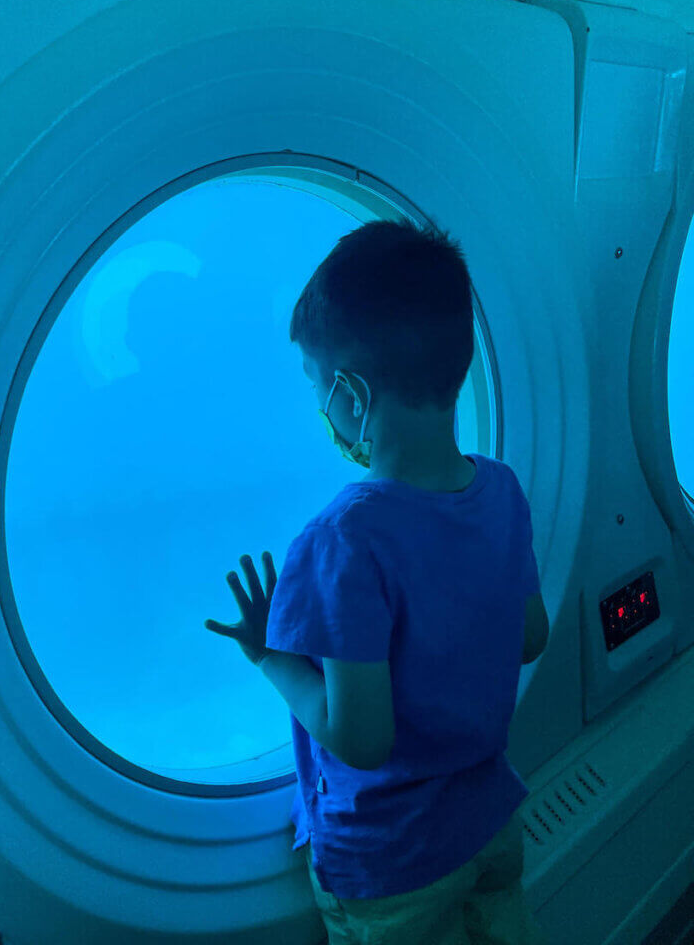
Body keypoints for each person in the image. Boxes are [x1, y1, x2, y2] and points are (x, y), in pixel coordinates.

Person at [206, 218, 550, 943]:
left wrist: (269, 656)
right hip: (490, 822)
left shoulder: (345, 539)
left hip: (396, 865)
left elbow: (360, 739)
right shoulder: (501, 490)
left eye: (317, 387)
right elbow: (530, 637)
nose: (320, 409)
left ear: (353, 397)